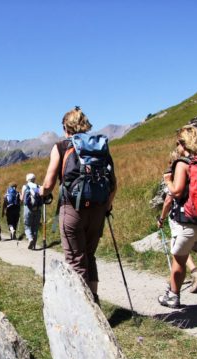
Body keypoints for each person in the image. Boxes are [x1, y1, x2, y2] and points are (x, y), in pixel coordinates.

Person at [40, 107, 117, 303]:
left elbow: (48, 185)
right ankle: (95, 300)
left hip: (72, 209)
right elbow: (113, 184)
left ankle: (85, 310)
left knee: (76, 260)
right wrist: (106, 206)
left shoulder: (61, 147)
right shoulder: (99, 146)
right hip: (98, 209)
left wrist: (41, 192)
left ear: (66, 126)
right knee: (89, 256)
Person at [158, 125, 197, 308]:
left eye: (178, 143)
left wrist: (168, 180)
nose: (177, 147)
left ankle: (173, 296)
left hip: (188, 221)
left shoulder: (183, 163)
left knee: (179, 262)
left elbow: (176, 192)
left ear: (184, 143)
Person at [157, 152, 197, 294]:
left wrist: (161, 218)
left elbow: (168, 200)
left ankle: (191, 276)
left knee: (179, 250)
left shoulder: (177, 175)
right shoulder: (194, 172)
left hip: (180, 218)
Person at [21, 173, 42, 249]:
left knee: (27, 225)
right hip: (38, 209)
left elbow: (22, 199)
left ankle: (30, 239)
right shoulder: (38, 186)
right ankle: (34, 246)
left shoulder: (25, 187)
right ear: (34, 179)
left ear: (27, 179)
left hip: (28, 209)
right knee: (35, 226)